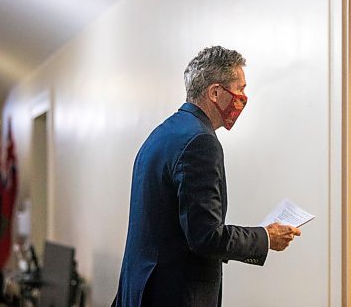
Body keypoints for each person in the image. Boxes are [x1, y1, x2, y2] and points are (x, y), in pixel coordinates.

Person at [112, 46, 301, 307]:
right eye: (240, 88)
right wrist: (266, 237)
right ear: (215, 92)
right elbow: (206, 237)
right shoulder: (200, 142)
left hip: (141, 290)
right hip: (175, 296)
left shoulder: (161, 134)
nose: (244, 97)